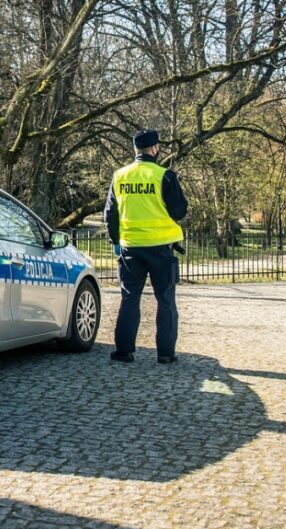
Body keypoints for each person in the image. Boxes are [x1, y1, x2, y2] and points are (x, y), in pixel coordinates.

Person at [104, 129, 188, 364]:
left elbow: (110, 213)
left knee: (130, 297)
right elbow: (179, 211)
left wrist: (115, 241)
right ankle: (165, 353)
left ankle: (123, 351)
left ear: (135, 150)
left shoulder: (120, 176)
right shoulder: (165, 176)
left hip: (131, 247)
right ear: (155, 149)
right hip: (161, 247)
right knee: (165, 300)